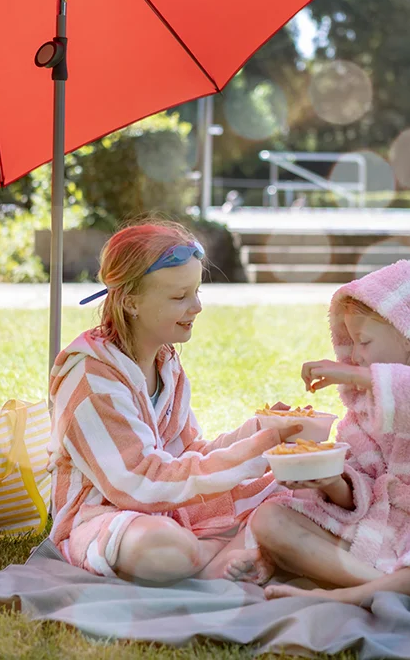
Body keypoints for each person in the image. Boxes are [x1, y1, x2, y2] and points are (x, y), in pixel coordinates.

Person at [228, 260, 410, 608]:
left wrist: (359, 377)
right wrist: (329, 479)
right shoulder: (363, 408)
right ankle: (397, 585)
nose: (352, 355)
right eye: (348, 342)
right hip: (376, 527)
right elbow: (361, 487)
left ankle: (354, 592)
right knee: (271, 517)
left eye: (363, 341)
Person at [47, 220, 300, 584]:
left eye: (196, 291)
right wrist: (257, 451)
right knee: (160, 547)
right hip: (104, 518)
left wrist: (258, 431)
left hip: (166, 506)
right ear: (131, 303)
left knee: (291, 488)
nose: (196, 306)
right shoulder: (91, 379)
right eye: (179, 297)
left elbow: (186, 451)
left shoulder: (166, 363)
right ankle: (225, 557)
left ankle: (217, 558)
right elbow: (138, 483)